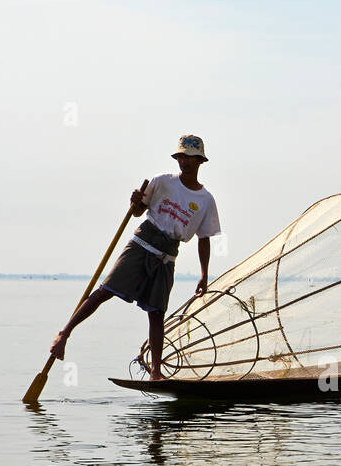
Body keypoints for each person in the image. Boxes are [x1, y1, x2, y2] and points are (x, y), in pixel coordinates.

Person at [50, 134, 222, 380]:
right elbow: (139, 212)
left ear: (200, 162)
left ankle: (156, 371)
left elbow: (204, 239)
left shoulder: (206, 200)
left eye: (190, 158)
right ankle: (64, 334)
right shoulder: (162, 182)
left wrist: (204, 274)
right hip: (142, 245)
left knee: (157, 313)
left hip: (166, 257)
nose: (185, 162)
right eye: (182, 157)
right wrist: (135, 203)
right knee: (105, 291)